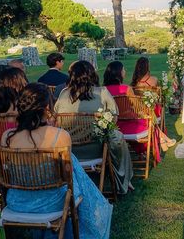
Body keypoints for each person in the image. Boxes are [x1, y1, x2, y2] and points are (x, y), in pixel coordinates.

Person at [1, 83, 112, 239]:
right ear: (47, 106)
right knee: (72, 166)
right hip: (53, 203)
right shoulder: (60, 136)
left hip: (17, 202)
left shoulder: (8, 137)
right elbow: (68, 177)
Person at [55, 60, 134, 195]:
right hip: (95, 149)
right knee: (117, 138)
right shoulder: (102, 92)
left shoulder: (63, 94)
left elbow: (56, 119)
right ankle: (123, 179)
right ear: (92, 74)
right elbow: (113, 119)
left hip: (69, 150)